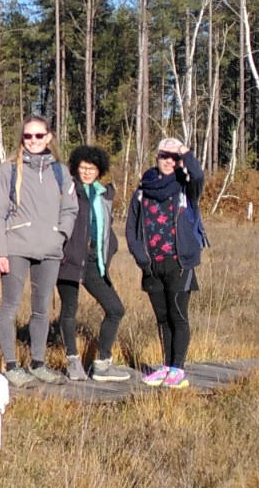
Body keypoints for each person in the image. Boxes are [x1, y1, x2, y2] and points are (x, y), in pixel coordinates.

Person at [0, 115, 78, 387]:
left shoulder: (61, 171)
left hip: (50, 250)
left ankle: (38, 363)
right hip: (16, 248)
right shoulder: (9, 170)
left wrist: (60, 234)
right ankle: (12, 366)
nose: (34, 141)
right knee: (10, 307)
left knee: (41, 310)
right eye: (28, 136)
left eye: (39, 136)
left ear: (49, 137)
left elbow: (71, 209)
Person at [125, 137, 207, 389]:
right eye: (164, 156)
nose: (169, 161)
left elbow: (198, 175)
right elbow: (131, 228)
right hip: (152, 266)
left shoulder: (186, 187)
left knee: (178, 316)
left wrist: (184, 151)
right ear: (157, 157)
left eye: (174, 157)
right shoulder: (142, 191)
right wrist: (142, 259)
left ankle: (177, 369)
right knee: (162, 318)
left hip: (179, 263)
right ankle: (166, 365)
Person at [57, 145, 131, 382]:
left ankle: (102, 364)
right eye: (83, 167)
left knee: (115, 309)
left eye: (92, 168)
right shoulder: (68, 191)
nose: (87, 172)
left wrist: (110, 249)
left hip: (93, 262)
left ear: (100, 170)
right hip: (68, 259)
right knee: (69, 309)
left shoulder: (104, 193)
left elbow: (106, 228)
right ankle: (73, 361)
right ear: (76, 168)